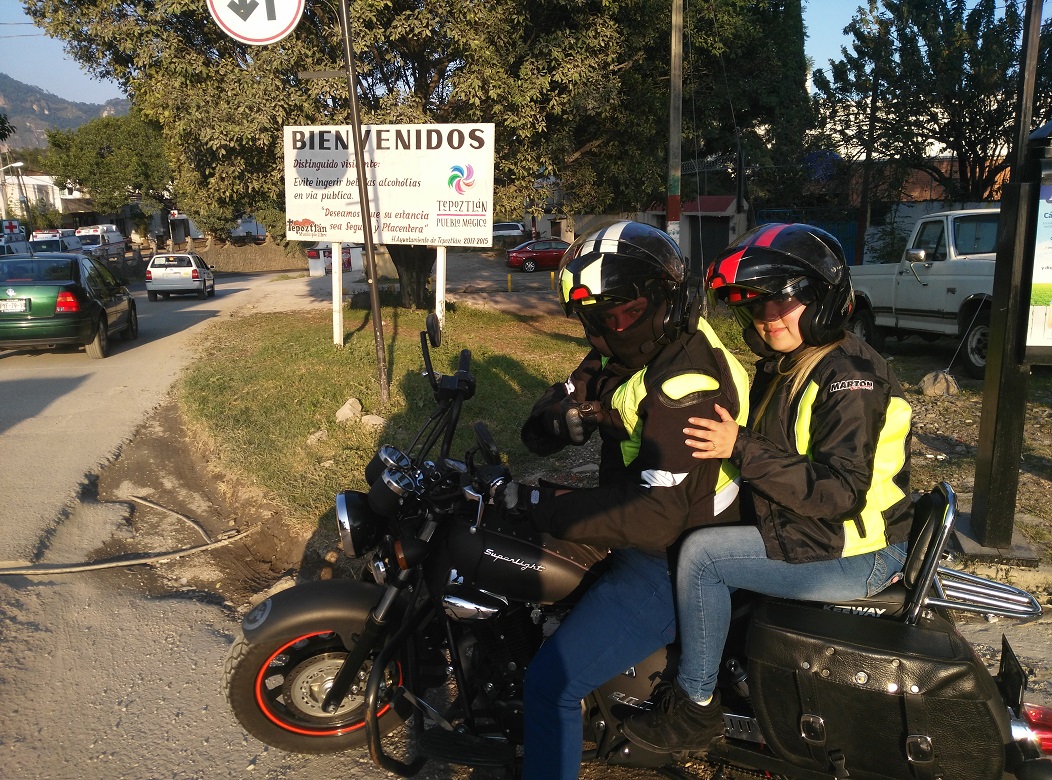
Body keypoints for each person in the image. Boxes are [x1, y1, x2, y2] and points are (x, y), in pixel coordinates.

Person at [621, 222, 913, 754]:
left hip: (856, 547)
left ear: (823, 301)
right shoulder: (790, 364)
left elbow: (839, 493)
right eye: (757, 306)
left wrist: (739, 447)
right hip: (815, 529)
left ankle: (694, 707)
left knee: (703, 557)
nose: (768, 317)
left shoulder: (850, 378)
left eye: (786, 302)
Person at [512, 220, 750, 779]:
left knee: (551, 683)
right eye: (592, 319)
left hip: (678, 556)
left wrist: (543, 505)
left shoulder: (686, 383)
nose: (603, 331)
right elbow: (571, 393)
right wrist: (556, 419)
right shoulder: (635, 349)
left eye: (618, 314)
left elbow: (655, 519)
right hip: (661, 532)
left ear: (665, 301)